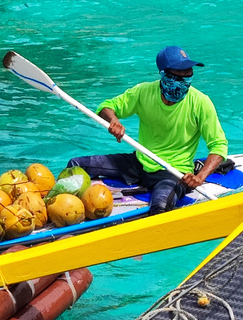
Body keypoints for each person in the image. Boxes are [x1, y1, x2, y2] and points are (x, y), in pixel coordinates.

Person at [67, 46, 228, 215]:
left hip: (173, 172)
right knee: (75, 166)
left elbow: (219, 145)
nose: (186, 76)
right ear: (165, 74)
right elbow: (106, 107)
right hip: (140, 162)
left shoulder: (201, 103)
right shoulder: (143, 92)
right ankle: (65, 208)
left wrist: (200, 177)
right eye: (180, 72)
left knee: (160, 209)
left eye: (189, 72)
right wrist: (114, 121)